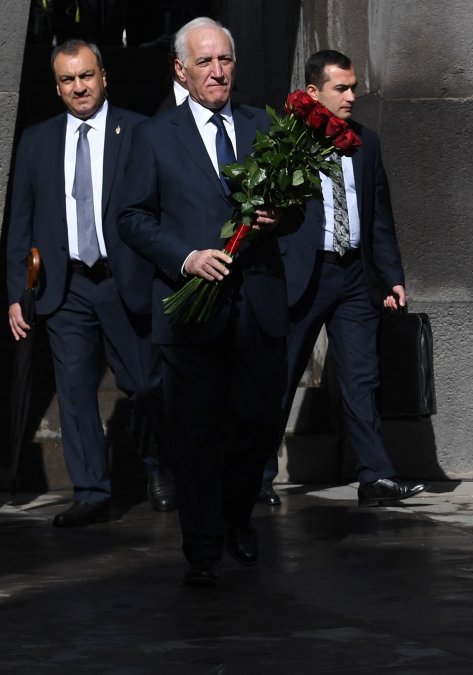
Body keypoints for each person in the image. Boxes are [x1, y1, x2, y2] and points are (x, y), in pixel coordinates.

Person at [118, 17, 288, 587]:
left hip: (256, 302)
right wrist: (184, 258)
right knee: (193, 432)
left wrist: (276, 216)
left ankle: (238, 513)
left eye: (226, 60)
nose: (217, 71)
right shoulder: (153, 135)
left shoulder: (263, 123)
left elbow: (295, 207)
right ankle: (203, 545)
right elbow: (132, 217)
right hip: (191, 308)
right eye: (205, 62)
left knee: (260, 421)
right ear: (181, 70)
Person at [5, 39, 172, 527]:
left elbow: (160, 209)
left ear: (103, 76)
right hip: (65, 285)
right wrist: (19, 293)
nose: (78, 87)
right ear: (56, 87)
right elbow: (21, 223)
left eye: (86, 76)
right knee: (75, 392)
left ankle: (157, 465)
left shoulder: (140, 131)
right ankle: (92, 492)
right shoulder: (36, 142)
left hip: (125, 281)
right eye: (67, 79)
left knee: (144, 385)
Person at [260, 49, 425, 508]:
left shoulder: (364, 142)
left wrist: (391, 275)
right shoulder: (286, 141)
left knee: (361, 378)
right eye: (342, 88)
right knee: (282, 375)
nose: (352, 96)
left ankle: (375, 476)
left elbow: (380, 218)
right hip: (303, 274)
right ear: (314, 92)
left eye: (354, 87)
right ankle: (257, 474)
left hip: (354, 274)